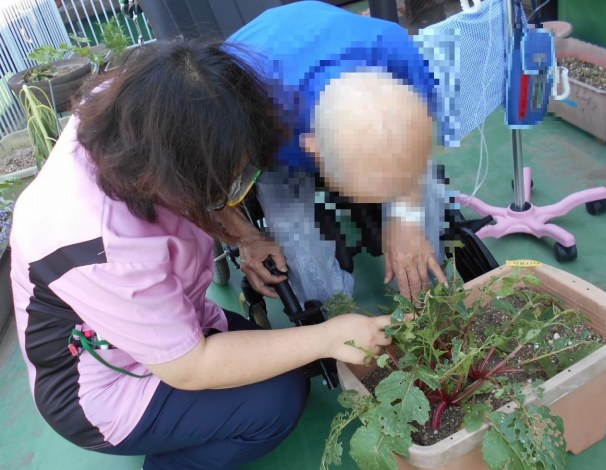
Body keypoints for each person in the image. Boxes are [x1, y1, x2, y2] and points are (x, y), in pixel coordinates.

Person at [10, 38, 392, 470]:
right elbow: (190, 367)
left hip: (164, 318)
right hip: (101, 386)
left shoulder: (136, 104)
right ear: (169, 177)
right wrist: (329, 336)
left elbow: (204, 176)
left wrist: (245, 237)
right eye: (223, 184)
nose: (232, 190)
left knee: (271, 358)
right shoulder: (95, 241)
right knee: (278, 400)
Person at [224, 1, 450, 306]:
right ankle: (337, 315)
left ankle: (428, 299)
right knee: (298, 243)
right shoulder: (243, 104)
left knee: (423, 204)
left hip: (329, 43)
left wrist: (405, 217)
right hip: (265, 108)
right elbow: (198, 188)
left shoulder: (397, 54)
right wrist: (246, 238)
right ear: (314, 151)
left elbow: (418, 138)